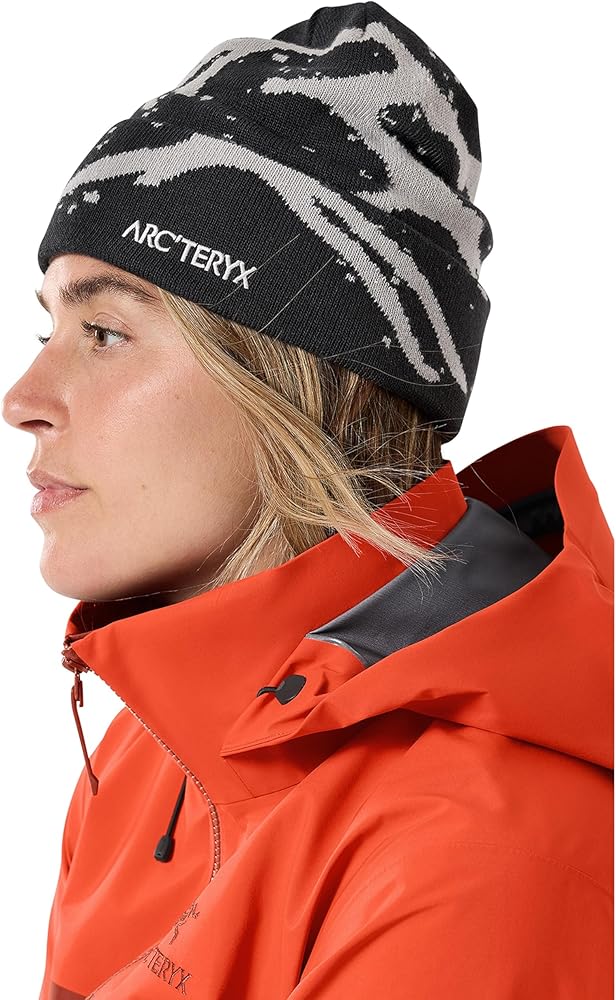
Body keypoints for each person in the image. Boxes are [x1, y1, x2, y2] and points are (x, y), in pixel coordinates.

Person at [2, 3, 613, 998]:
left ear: (292, 379)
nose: (23, 400)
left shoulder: (478, 848)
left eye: (105, 332)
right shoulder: (148, 756)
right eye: (48, 332)